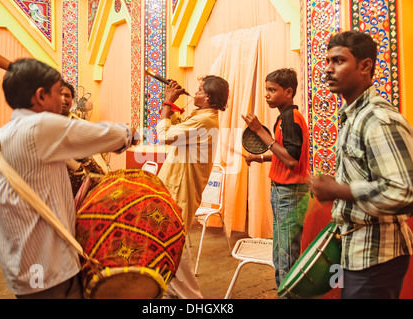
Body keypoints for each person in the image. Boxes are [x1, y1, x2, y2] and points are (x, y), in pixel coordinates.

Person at [0, 58, 137, 298]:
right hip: (50, 269)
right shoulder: (42, 127)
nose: (63, 101)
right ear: (40, 96)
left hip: (18, 267)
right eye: (58, 93)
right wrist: (132, 133)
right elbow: (112, 135)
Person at [309, 31, 413, 299]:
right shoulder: (353, 116)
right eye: (328, 61)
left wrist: (339, 191)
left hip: (378, 256)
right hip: (357, 250)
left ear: (365, 66)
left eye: (339, 61)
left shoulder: (378, 119)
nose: (328, 69)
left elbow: (404, 192)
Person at [157, 75, 229, 299]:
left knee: (173, 242)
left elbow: (165, 136)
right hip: (175, 184)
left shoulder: (205, 121)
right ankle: (171, 293)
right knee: (168, 241)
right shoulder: (202, 117)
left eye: (199, 90)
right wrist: (172, 103)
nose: (195, 93)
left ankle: (191, 298)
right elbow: (178, 128)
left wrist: (168, 103)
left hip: (180, 189)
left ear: (207, 97)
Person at [242, 68, 310, 289]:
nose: (267, 95)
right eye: (266, 90)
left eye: (272, 90)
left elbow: (291, 161)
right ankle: (286, 291)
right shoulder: (286, 117)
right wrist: (259, 157)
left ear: (288, 92)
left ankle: (289, 293)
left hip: (289, 194)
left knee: (286, 257)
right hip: (283, 192)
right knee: (281, 253)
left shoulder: (291, 118)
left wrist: (260, 132)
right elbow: (286, 153)